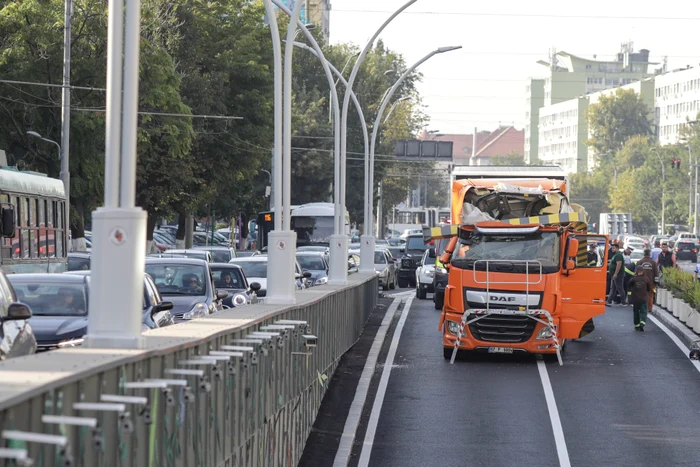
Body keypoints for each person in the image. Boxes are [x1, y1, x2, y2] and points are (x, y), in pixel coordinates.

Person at [607, 241, 625, 306]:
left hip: (618, 275)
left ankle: (623, 302)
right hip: (614, 274)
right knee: (613, 288)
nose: (612, 249)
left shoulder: (619, 255)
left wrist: (616, 274)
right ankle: (609, 301)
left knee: (619, 288)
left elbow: (619, 265)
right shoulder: (615, 255)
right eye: (612, 248)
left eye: (614, 248)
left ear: (617, 248)